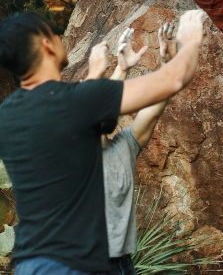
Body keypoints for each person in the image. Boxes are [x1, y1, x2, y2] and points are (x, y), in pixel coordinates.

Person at [0, 9, 206, 275]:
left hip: (31, 263)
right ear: (46, 43)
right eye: (56, 34)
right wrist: (191, 39)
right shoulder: (77, 100)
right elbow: (173, 79)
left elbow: (78, 124)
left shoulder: (4, 118)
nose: (60, 38)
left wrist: (114, 70)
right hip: (77, 263)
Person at [83, 22, 179, 275]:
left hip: (123, 265)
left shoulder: (124, 146)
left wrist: (168, 65)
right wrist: (119, 70)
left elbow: (154, 109)